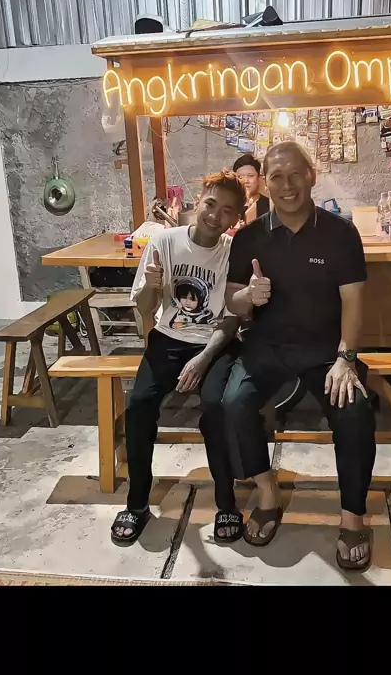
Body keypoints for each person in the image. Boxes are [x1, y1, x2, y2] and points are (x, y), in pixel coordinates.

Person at [199, 141, 377, 571]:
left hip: (326, 353)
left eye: (295, 173)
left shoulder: (340, 233)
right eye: (276, 176)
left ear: (311, 174)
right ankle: (266, 492)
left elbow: (354, 300)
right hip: (267, 347)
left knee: (355, 412)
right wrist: (247, 296)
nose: (287, 184)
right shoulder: (249, 237)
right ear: (265, 183)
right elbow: (232, 302)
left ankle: (352, 516)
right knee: (233, 402)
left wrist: (347, 357)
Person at [110, 170, 246, 546]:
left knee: (217, 406)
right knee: (139, 405)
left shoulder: (233, 252)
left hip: (216, 343)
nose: (215, 215)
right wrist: (151, 289)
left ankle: (227, 503)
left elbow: (232, 318)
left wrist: (202, 359)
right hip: (168, 339)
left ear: (236, 218)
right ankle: (137, 504)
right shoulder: (164, 242)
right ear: (197, 201)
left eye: (227, 211)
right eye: (210, 204)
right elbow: (145, 308)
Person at [233, 153, 270, 222]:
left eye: (250, 176)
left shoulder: (269, 205)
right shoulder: (231, 205)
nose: (246, 181)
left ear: (259, 178)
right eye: (240, 177)